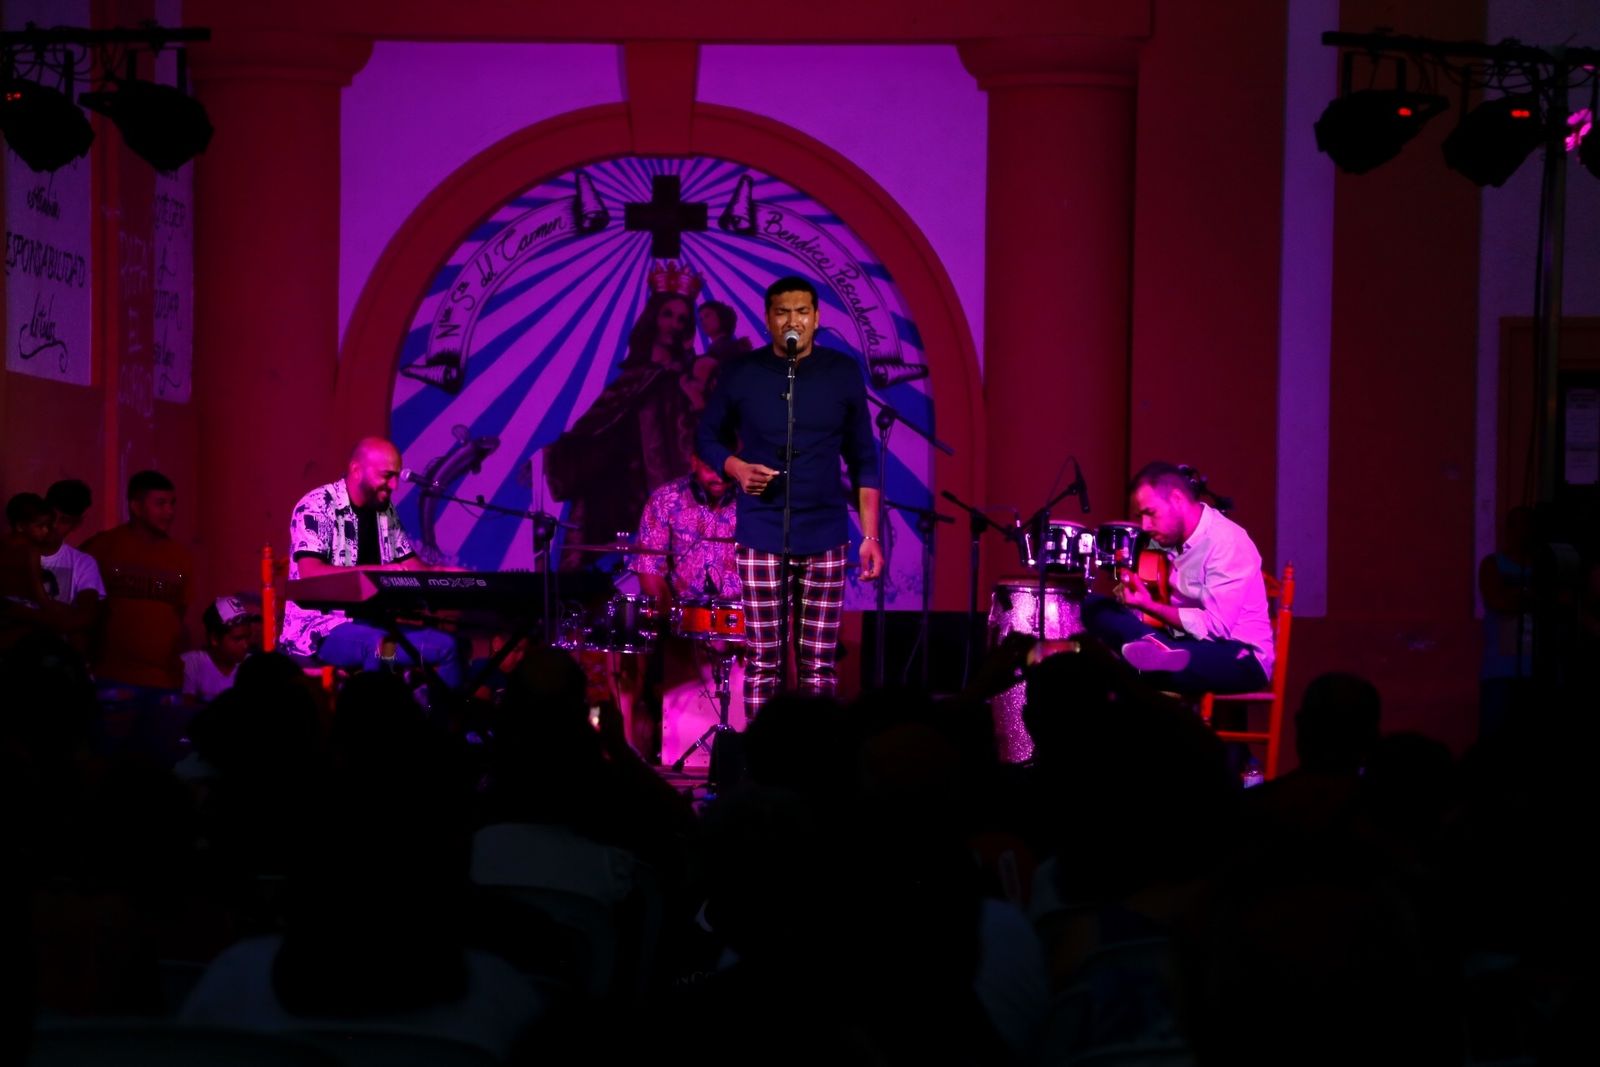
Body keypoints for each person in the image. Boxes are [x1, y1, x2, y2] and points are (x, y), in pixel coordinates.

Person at [696, 274, 883, 714]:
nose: (791, 320)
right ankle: (763, 767)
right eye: (782, 312)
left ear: (816, 319)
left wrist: (870, 536)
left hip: (825, 532)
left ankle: (813, 767)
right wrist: (737, 467)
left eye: (801, 312)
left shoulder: (841, 373)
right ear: (768, 319)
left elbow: (864, 458)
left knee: (819, 664)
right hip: (761, 530)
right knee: (764, 660)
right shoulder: (742, 372)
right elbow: (706, 437)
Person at [280, 437, 463, 694]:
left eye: (397, 476)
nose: (395, 485)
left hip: (376, 625)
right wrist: (374, 571)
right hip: (319, 629)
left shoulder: (384, 511)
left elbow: (410, 565)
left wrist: (443, 573)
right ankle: (373, 725)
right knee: (381, 648)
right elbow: (310, 574)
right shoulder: (317, 505)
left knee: (448, 647)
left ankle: (442, 729)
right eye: (387, 476)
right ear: (356, 470)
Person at [545, 279, 701, 570]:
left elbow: (689, 441)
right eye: (668, 314)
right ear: (654, 317)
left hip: (661, 493)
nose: (674, 324)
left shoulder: (683, 381)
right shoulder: (631, 379)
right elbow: (594, 429)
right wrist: (552, 458)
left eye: (682, 319)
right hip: (615, 496)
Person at [1081, 461, 1273, 694]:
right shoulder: (1162, 541)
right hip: (1183, 643)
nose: (1145, 525)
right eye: (1140, 516)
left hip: (1239, 655)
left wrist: (1150, 606)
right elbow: (1153, 599)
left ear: (1177, 500)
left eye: (1151, 514)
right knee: (1094, 607)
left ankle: (1148, 660)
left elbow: (1215, 627)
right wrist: (1134, 596)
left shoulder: (1226, 541)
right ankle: (1147, 657)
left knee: (1161, 661)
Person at [82, 470, 194, 689]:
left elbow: (179, 612)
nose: (169, 512)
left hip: (162, 681)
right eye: (160, 504)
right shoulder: (104, 548)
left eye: (172, 503)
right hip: (111, 677)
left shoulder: (180, 557)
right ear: (135, 506)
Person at [1477, 505, 1535, 740]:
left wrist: (1517, 594)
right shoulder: (1493, 564)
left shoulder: (1546, 566)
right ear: (1509, 529)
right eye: (1518, 525)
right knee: (1495, 738)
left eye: (1529, 525)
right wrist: (1537, 596)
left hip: (1539, 669)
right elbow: (1498, 601)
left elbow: (1564, 600)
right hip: (1500, 669)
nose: (1524, 531)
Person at [181, 597, 258, 703]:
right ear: (215, 639)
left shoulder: (254, 666)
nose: (245, 645)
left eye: (247, 637)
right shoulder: (191, 664)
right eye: (238, 639)